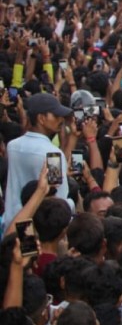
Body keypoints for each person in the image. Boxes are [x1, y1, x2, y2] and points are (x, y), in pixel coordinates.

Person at [4, 93, 72, 226]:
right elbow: (59, 200)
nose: (61, 119)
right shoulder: (53, 155)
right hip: (39, 227)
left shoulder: (12, 146)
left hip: (11, 222)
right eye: (56, 115)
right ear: (41, 118)